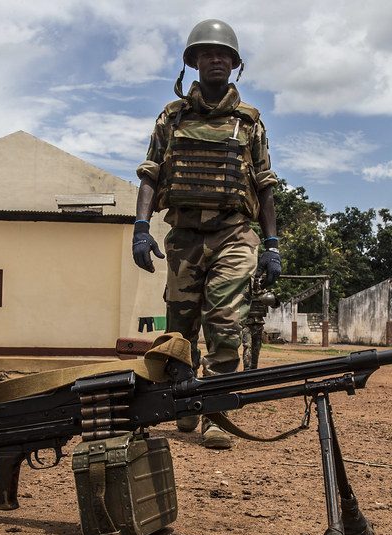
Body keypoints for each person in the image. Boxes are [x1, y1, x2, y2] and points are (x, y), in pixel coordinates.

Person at [132, 19, 281, 449]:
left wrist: (271, 245)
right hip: (183, 237)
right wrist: (141, 227)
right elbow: (150, 174)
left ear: (235, 65)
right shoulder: (172, 117)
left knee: (225, 321)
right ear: (193, 62)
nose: (216, 59)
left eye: (225, 55)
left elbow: (266, 185)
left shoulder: (249, 122)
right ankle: (182, 403)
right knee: (179, 329)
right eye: (207, 53)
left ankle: (214, 413)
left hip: (234, 234)